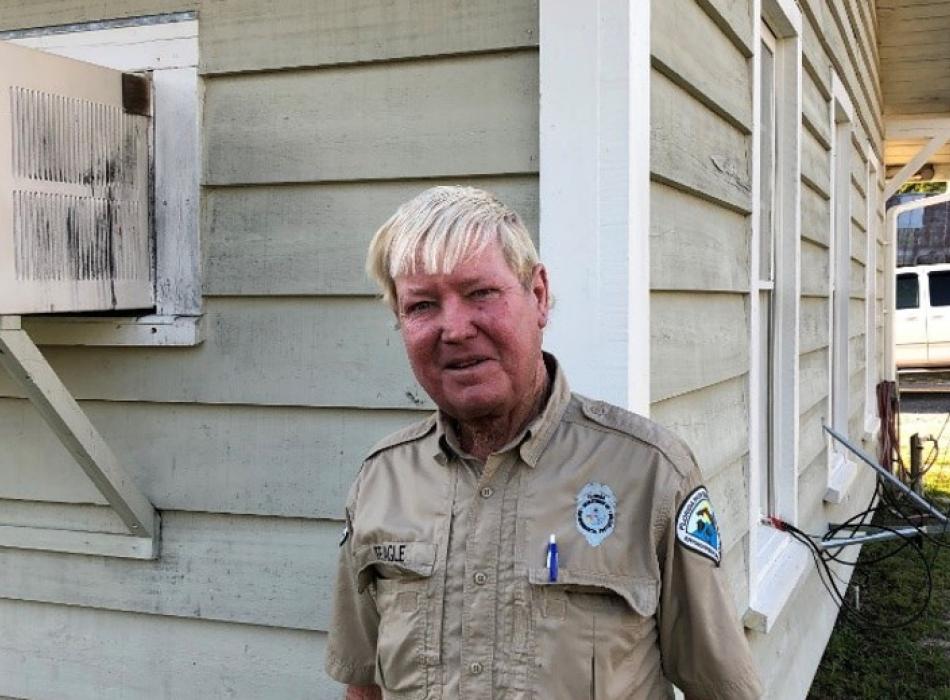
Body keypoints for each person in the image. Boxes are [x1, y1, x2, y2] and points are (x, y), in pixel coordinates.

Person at [325, 186, 763, 700]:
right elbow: (364, 687)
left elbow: (725, 690)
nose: (455, 329)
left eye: (480, 292)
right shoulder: (381, 480)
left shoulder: (651, 474)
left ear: (538, 295)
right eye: (422, 305)